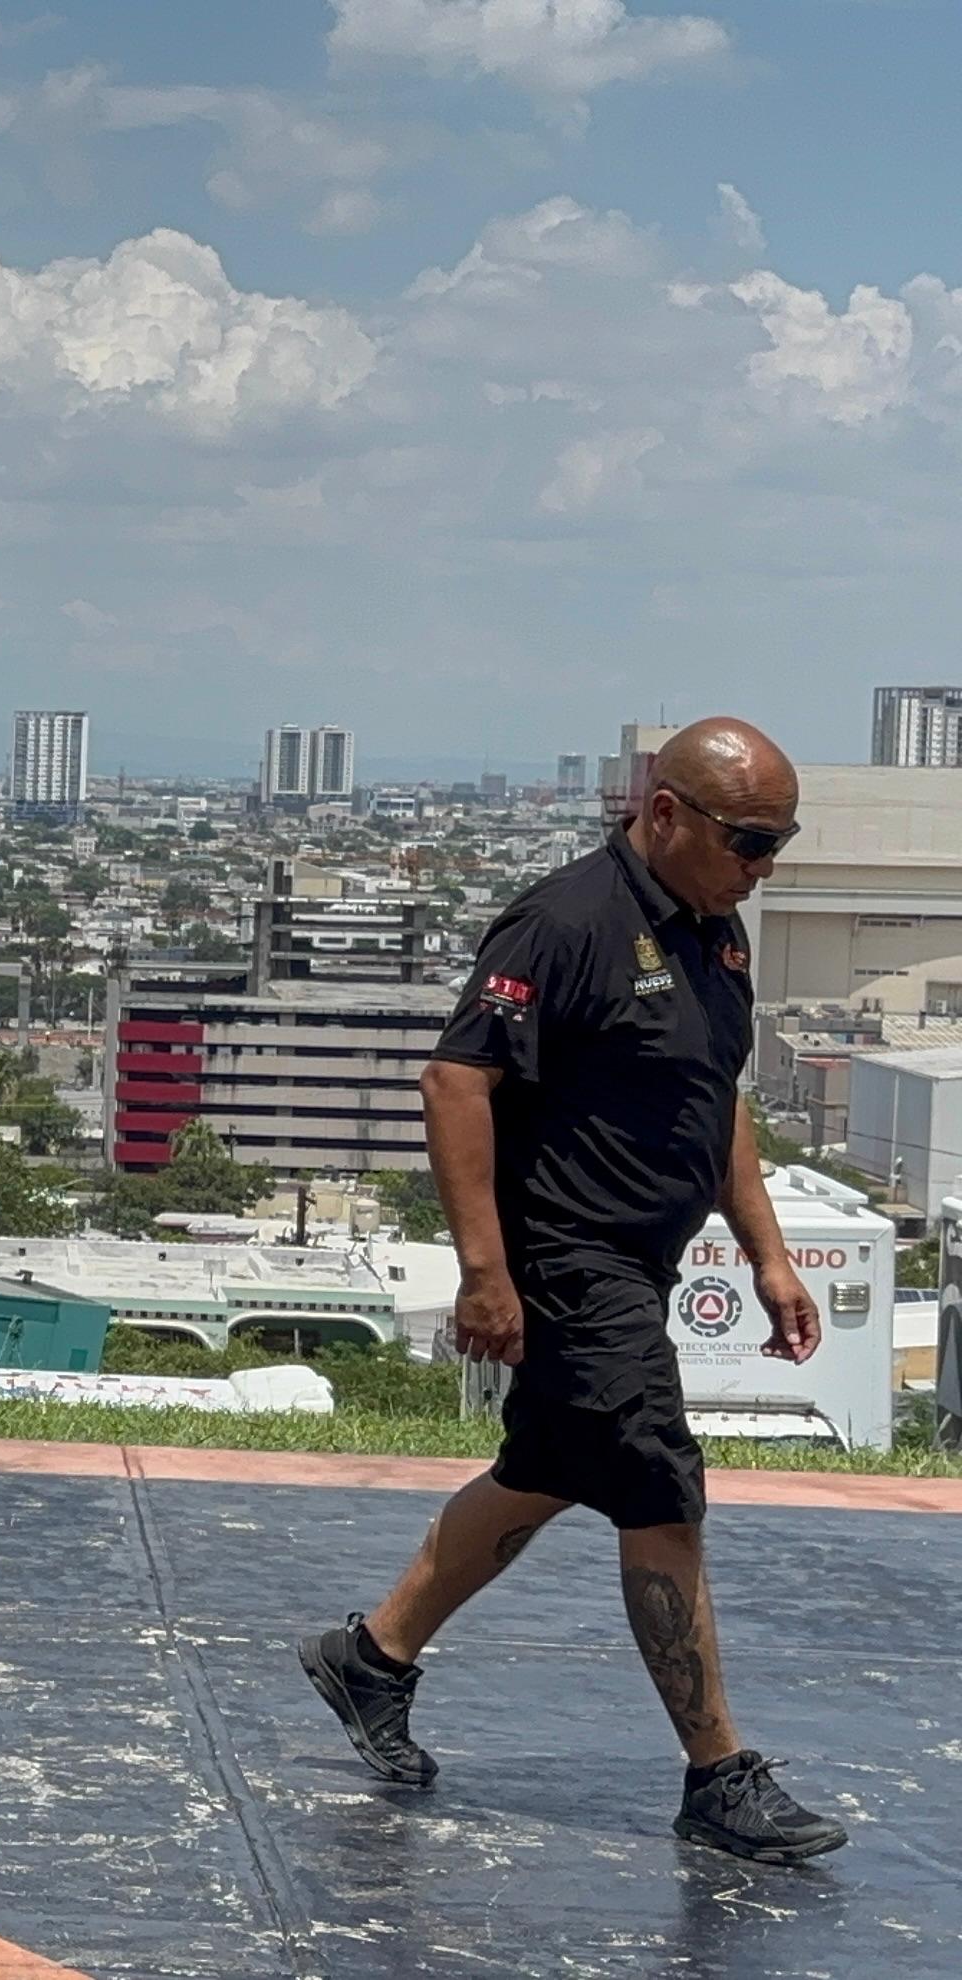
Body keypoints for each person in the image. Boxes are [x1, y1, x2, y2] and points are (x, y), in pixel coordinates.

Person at [297, 717, 850, 1865]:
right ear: (665, 815)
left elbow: (715, 1098)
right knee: (657, 1484)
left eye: (777, 842)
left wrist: (768, 1251)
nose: (763, 865)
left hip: (639, 1264)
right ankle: (716, 1773)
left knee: (547, 1467)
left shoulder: (714, 930)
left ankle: (370, 1657)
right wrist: (486, 1274)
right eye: (748, 840)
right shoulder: (565, 923)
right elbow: (455, 1082)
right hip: (565, 1261)